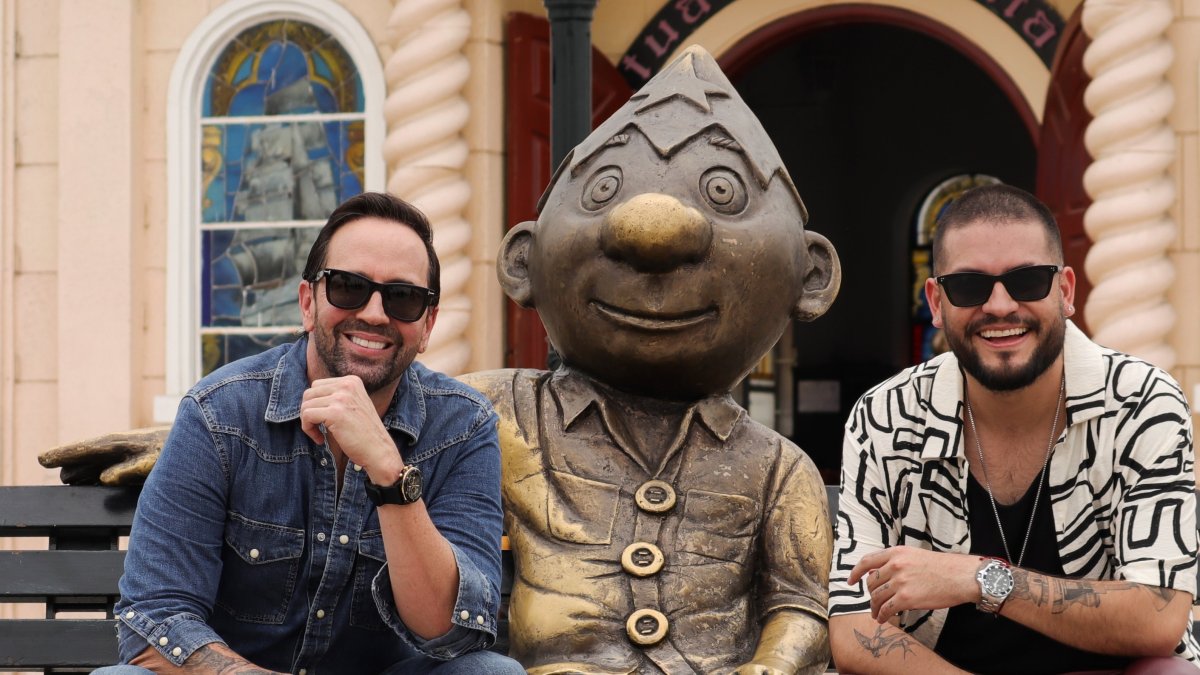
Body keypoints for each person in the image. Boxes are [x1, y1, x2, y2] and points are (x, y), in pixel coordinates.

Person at [463, 45, 840, 674]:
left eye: (724, 193)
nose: (652, 229)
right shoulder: (492, 413)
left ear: (811, 278)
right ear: (522, 260)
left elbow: (802, 605)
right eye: (604, 191)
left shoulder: (776, 467)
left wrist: (769, 666)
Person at [98, 192, 523, 674]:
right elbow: (155, 620)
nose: (375, 314)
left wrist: (389, 472)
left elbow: (449, 629)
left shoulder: (463, 426)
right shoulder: (219, 413)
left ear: (427, 326)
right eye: (348, 287)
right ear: (307, 302)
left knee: (492, 673)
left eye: (402, 297)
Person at [827, 183, 1198, 674]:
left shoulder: (1140, 401)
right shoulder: (886, 415)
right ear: (936, 302)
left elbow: (1160, 617)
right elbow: (854, 626)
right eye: (969, 286)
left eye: (1027, 281)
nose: (1000, 306)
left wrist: (981, 579)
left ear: (1064, 291)